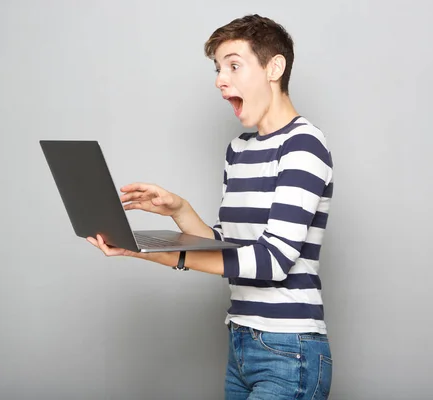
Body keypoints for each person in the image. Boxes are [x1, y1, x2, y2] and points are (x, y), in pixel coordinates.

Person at [87, 14, 334, 399]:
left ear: (275, 67)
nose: (221, 79)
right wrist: (180, 211)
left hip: (290, 351)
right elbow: (231, 247)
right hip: (241, 344)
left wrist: (158, 254)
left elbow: (272, 261)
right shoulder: (239, 150)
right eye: (218, 69)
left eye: (234, 65)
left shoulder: (303, 145)